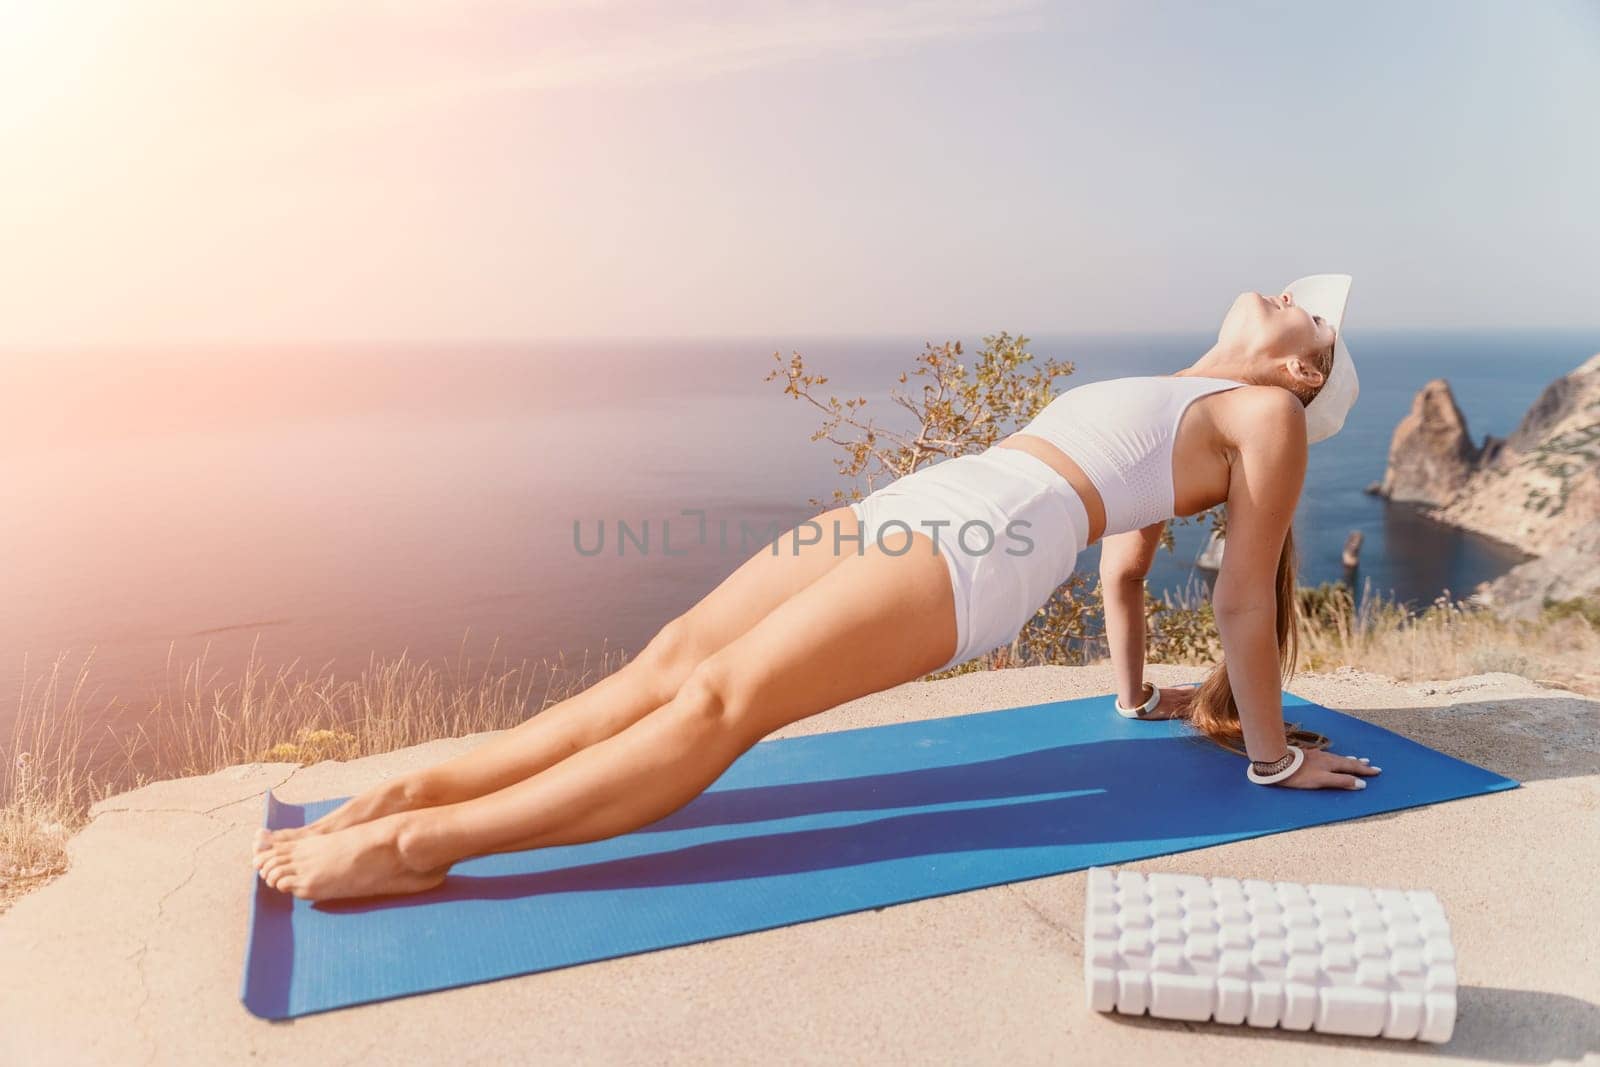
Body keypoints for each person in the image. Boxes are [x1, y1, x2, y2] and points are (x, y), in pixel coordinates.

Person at [252, 274, 1380, 902]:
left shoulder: (1267, 414)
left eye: (1314, 316)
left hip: (987, 539)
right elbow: (1125, 563)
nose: (1297, 293)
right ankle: (420, 789)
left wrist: (1270, 754)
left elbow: (1240, 596)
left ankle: (426, 847)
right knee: (668, 657)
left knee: (719, 703)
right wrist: (1134, 696)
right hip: (938, 497)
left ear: (1299, 370)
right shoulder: (1177, 394)